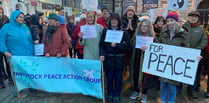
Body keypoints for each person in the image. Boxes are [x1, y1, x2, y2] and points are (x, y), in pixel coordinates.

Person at [99, 13, 130, 103]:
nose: (114, 22)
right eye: (112, 20)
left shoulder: (123, 32)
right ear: (110, 21)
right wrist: (102, 54)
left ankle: (116, 94)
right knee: (109, 77)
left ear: (118, 21)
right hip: (108, 58)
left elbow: (128, 46)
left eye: (115, 20)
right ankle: (110, 93)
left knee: (118, 78)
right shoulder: (105, 31)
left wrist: (117, 45)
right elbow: (102, 44)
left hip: (119, 59)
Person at [158, 11, 188, 103]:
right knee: (163, 84)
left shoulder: (182, 35)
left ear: (176, 21)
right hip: (164, 63)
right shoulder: (163, 33)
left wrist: (195, 57)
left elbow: (187, 50)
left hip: (175, 65)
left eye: (171, 20)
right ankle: (163, 100)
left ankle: (171, 101)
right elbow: (158, 46)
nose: (169, 23)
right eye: (167, 21)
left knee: (172, 86)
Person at [183, 11, 208, 99]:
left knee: (193, 74)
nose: (193, 18)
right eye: (192, 16)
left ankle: (192, 91)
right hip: (183, 54)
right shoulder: (183, 27)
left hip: (194, 55)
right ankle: (179, 89)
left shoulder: (201, 30)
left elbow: (204, 40)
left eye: (196, 17)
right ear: (189, 17)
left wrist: (197, 49)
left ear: (198, 19)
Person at [129, 18, 155, 102]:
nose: (144, 28)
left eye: (146, 26)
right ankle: (136, 91)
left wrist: (148, 48)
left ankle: (144, 93)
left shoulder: (153, 37)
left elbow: (155, 48)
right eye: (142, 26)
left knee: (146, 77)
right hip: (136, 58)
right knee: (136, 75)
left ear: (149, 27)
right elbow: (131, 45)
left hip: (147, 60)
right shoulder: (136, 35)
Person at [0, 6, 10, 89]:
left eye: (1, 12)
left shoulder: (6, 19)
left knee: (7, 61)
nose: (0, 13)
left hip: (5, 43)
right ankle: (1, 81)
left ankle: (10, 78)